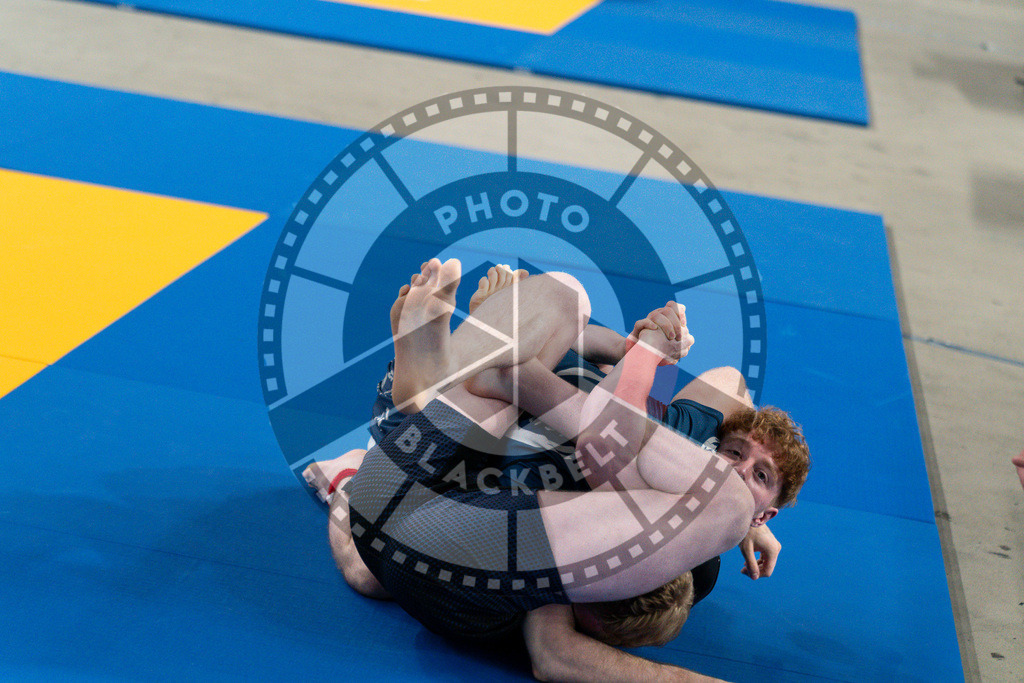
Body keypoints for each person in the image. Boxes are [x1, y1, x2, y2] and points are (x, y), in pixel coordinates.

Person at [305, 258, 810, 681]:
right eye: (738, 454)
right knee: (565, 299)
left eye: (760, 477)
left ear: (770, 515)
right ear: (721, 442)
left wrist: (643, 355)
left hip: (463, 440)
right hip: (478, 402)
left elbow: (556, 648)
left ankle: (410, 412)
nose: (741, 470)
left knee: (373, 570)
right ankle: (430, 388)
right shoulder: (685, 432)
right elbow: (730, 381)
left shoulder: (649, 541)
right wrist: (624, 350)